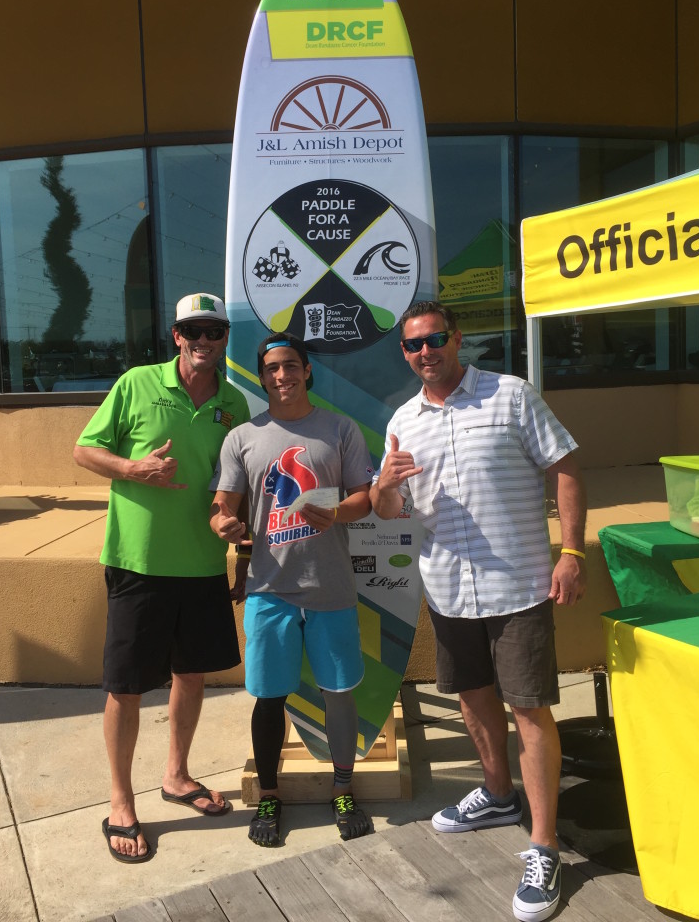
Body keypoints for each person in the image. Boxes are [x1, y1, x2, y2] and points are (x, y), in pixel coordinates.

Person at [370, 301, 586, 922]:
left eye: (434, 339)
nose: (424, 352)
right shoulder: (404, 420)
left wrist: (572, 549)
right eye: (412, 345)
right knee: (471, 696)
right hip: (448, 590)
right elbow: (392, 512)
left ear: (456, 339)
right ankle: (496, 792)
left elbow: (566, 466)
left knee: (529, 708)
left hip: (518, 586)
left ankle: (543, 847)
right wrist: (384, 486)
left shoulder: (511, 396)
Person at [73, 293, 250, 864]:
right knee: (125, 686)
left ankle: (176, 776)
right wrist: (133, 468)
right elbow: (84, 449)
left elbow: (231, 487)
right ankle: (120, 800)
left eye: (214, 330)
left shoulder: (234, 406)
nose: (204, 339)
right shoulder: (136, 384)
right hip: (138, 563)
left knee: (191, 675)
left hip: (201, 565)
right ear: (176, 335)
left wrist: (232, 527)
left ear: (225, 337)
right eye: (192, 330)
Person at [210, 332, 373, 847]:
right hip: (268, 588)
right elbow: (222, 506)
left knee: (340, 695)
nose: (282, 376)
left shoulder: (339, 429)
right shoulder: (241, 437)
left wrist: (339, 512)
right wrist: (224, 527)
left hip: (331, 587)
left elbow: (365, 497)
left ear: (307, 371)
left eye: (291, 366)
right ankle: (269, 796)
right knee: (268, 699)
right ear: (262, 376)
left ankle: (343, 788)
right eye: (272, 368)